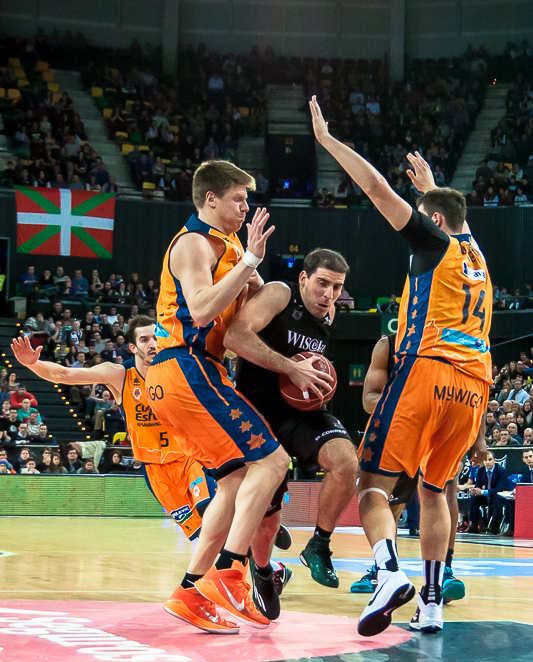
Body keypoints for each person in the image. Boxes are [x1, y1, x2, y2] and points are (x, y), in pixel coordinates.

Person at [310, 97, 491, 635]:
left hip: (428, 370)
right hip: (475, 385)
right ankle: (431, 603)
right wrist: (433, 186)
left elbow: (375, 190)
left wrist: (328, 141)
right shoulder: (476, 254)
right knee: (435, 490)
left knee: (372, 484)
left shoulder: (433, 240)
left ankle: (388, 573)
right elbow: (451, 214)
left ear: (433, 221)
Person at [145, 160, 298, 633]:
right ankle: (231, 573)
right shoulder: (193, 242)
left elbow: (239, 306)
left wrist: (260, 286)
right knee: (273, 464)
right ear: (210, 199)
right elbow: (200, 307)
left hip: (182, 375)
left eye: (247, 199)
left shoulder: (226, 246)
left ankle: (191, 591)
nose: (245, 206)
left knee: (232, 482)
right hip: (186, 366)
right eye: (238, 198)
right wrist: (250, 262)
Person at [226, 248, 357, 615]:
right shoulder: (280, 294)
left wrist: (312, 379)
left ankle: (319, 544)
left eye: (337, 287)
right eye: (322, 283)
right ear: (303, 279)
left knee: (347, 462)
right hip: (258, 417)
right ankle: (264, 571)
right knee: (267, 524)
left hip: (301, 413)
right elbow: (235, 337)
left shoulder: (329, 314)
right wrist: (290, 369)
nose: (328, 294)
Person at [12, 318, 215, 544]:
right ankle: (217, 575)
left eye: (156, 338)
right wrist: (32, 364)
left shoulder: (177, 369)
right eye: (144, 339)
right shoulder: (119, 375)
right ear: (133, 347)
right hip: (155, 470)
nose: (152, 344)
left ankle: (244, 567)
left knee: (212, 512)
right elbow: (65, 375)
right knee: (198, 534)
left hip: (189, 460)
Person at [349, 333, 467, 613]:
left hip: (438, 432)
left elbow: (474, 386)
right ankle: (386, 569)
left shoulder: (450, 339)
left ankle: (444, 572)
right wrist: (409, 411)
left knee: (442, 489)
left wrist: (480, 438)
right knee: (386, 502)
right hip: (399, 432)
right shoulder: (388, 345)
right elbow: (369, 399)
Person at [468, 451, 509, 533]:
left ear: (494, 460)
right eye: (485, 460)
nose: (487, 462)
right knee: (473, 499)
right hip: (487, 495)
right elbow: (478, 485)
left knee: (497, 499)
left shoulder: (501, 471)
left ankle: (494, 527)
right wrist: (474, 491)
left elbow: (500, 488)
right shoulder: (480, 471)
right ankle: (474, 526)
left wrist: (483, 492)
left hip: (499, 494)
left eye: (490, 460)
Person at [501, 448, 533, 535]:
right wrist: (516, 489)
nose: (529, 459)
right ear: (523, 460)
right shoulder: (526, 468)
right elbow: (522, 483)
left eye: (531, 456)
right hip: (528, 496)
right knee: (510, 501)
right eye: (526, 457)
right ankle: (511, 528)